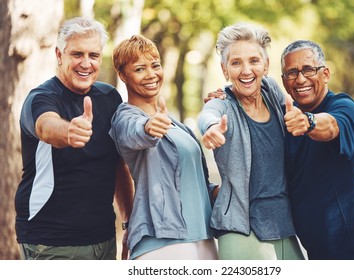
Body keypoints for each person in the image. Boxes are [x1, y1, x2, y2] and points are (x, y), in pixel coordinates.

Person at [15, 17, 134, 260]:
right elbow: (46, 126)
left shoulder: (110, 98)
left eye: (93, 55)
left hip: (103, 239)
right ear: (59, 55)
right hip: (50, 242)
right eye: (77, 54)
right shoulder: (41, 97)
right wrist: (68, 131)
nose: (86, 63)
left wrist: (130, 222)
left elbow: (118, 166)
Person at [281, 40, 354, 260]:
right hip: (321, 253)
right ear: (284, 81)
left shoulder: (345, 107)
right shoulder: (286, 117)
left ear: (325, 74)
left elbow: (331, 126)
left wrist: (308, 122)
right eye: (292, 73)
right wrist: (225, 97)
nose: (300, 79)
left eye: (308, 69)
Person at [197, 22, 304, 260]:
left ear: (265, 65)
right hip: (241, 229)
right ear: (225, 70)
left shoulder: (271, 91)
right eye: (236, 63)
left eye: (254, 61)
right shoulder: (223, 104)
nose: (246, 71)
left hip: (282, 223)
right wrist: (211, 128)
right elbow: (208, 114)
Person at [109, 34, 218, 260]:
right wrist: (148, 127)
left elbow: (193, 183)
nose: (151, 74)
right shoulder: (125, 117)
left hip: (203, 237)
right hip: (162, 244)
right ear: (122, 75)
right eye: (139, 69)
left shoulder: (178, 126)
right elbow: (134, 133)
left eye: (155, 65)